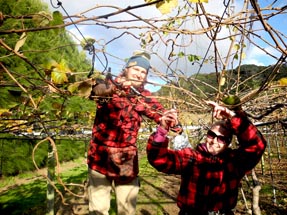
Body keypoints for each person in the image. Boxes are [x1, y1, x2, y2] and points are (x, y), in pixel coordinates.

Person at [87, 52, 181, 215]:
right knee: (97, 209)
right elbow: (94, 91)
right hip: (99, 156)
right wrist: (99, 88)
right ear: (126, 69)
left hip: (125, 159)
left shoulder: (144, 97)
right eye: (136, 69)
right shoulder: (109, 86)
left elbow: (166, 119)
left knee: (127, 209)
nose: (139, 74)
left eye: (143, 72)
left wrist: (172, 120)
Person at [146, 101, 267, 215]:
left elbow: (257, 145)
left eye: (222, 138)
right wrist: (162, 131)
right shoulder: (191, 158)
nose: (214, 141)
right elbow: (159, 160)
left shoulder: (234, 162)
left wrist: (233, 117)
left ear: (228, 142)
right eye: (212, 135)